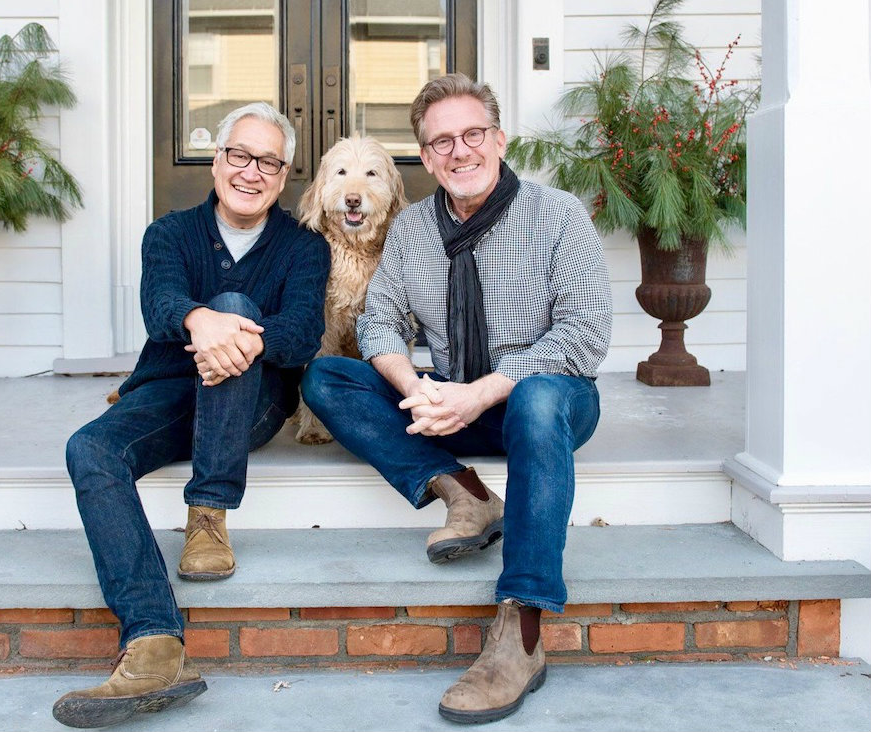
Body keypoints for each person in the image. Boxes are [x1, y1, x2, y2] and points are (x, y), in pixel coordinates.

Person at [301, 73, 612, 724]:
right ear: (426, 155)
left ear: (498, 140)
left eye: (473, 134)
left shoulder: (558, 217)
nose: (459, 151)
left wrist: (482, 392)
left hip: (547, 402)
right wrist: (418, 389)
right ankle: (465, 494)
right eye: (441, 141)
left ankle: (521, 631)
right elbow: (380, 321)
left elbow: (584, 336)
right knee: (328, 378)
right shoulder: (414, 229)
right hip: (452, 403)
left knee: (537, 402)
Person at [53, 102, 330, 729]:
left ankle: (208, 512)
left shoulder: (304, 247)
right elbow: (160, 306)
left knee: (233, 302)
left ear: (283, 176)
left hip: (251, 403)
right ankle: (154, 640)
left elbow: (302, 332)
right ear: (217, 159)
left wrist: (240, 336)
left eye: (268, 162)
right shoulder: (170, 233)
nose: (251, 172)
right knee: (89, 450)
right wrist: (201, 323)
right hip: (170, 390)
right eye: (240, 155)